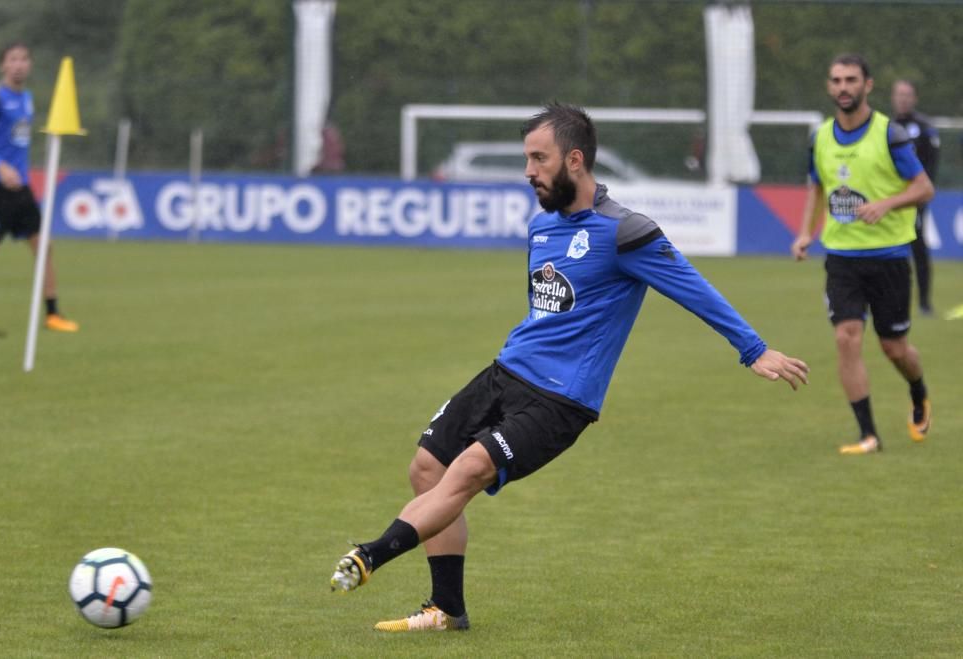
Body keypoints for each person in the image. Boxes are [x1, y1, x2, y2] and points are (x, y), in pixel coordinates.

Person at [328, 103, 809, 632]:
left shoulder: (626, 232)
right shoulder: (541, 227)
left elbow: (694, 288)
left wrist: (753, 348)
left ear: (574, 160)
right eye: (527, 158)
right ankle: (447, 609)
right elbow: (550, 311)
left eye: (539, 158)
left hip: (561, 400)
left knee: (466, 470)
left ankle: (370, 555)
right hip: (506, 372)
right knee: (427, 467)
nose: (528, 170)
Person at [791, 54, 934, 455]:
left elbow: (924, 188)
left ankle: (918, 391)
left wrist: (886, 204)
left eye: (851, 80)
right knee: (846, 337)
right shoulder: (819, 137)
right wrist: (805, 233)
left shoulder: (891, 135)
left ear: (867, 85)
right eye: (836, 80)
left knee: (895, 347)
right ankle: (868, 434)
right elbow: (817, 189)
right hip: (841, 259)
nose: (843, 87)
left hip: (888, 257)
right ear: (829, 86)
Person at [0, 42, 78, 332]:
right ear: (3, 65)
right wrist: (0, 166)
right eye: (13, 59)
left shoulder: (27, 98)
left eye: (24, 59)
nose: (19, 64)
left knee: (43, 248)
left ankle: (53, 314)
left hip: (22, 190)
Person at [890, 79, 940, 315]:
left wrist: (920, 193)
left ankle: (924, 302)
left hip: (915, 199)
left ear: (915, 98)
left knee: (918, 249)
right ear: (893, 97)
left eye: (907, 95)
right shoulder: (885, 127)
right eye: (899, 94)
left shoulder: (923, 127)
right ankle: (889, 301)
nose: (903, 99)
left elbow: (931, 164)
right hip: (890, 201)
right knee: (888, 252)